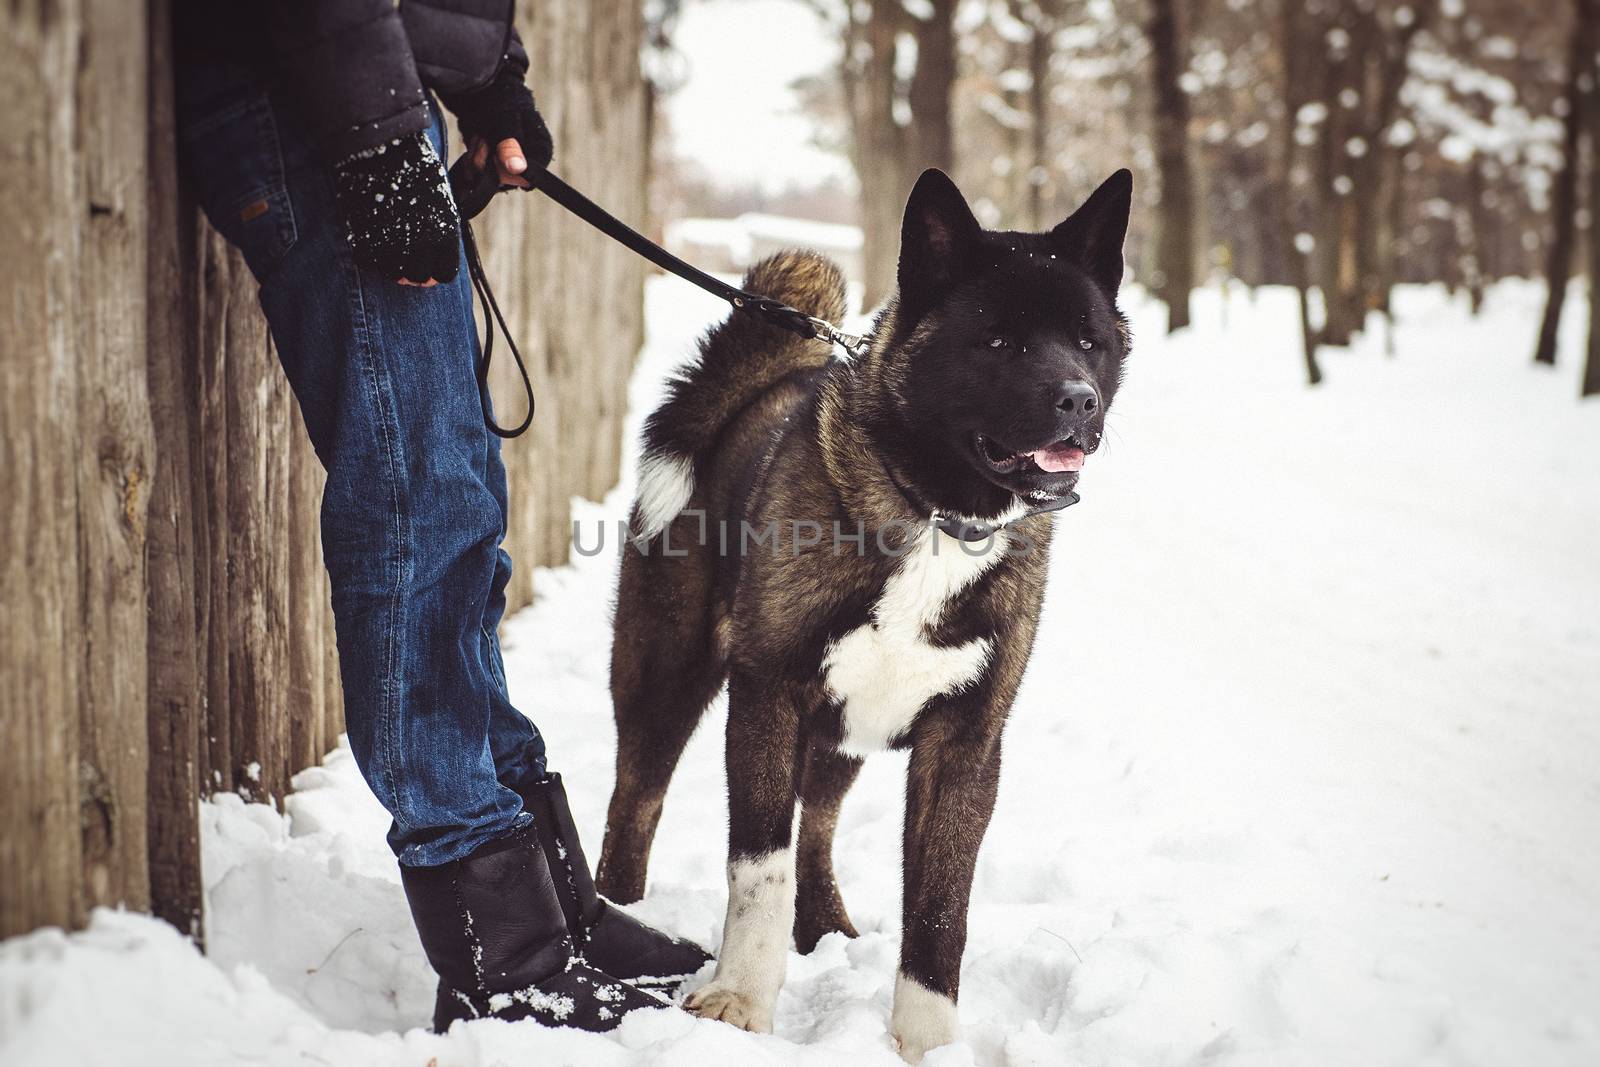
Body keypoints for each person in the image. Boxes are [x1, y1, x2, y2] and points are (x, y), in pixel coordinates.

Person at [173, 0, 707, 1032]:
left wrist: (490, 82)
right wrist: (375, 145)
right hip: (315, 104)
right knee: (415, 500)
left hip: (364, 95)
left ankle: (544, 901)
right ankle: (497, 945)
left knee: (457, 494)